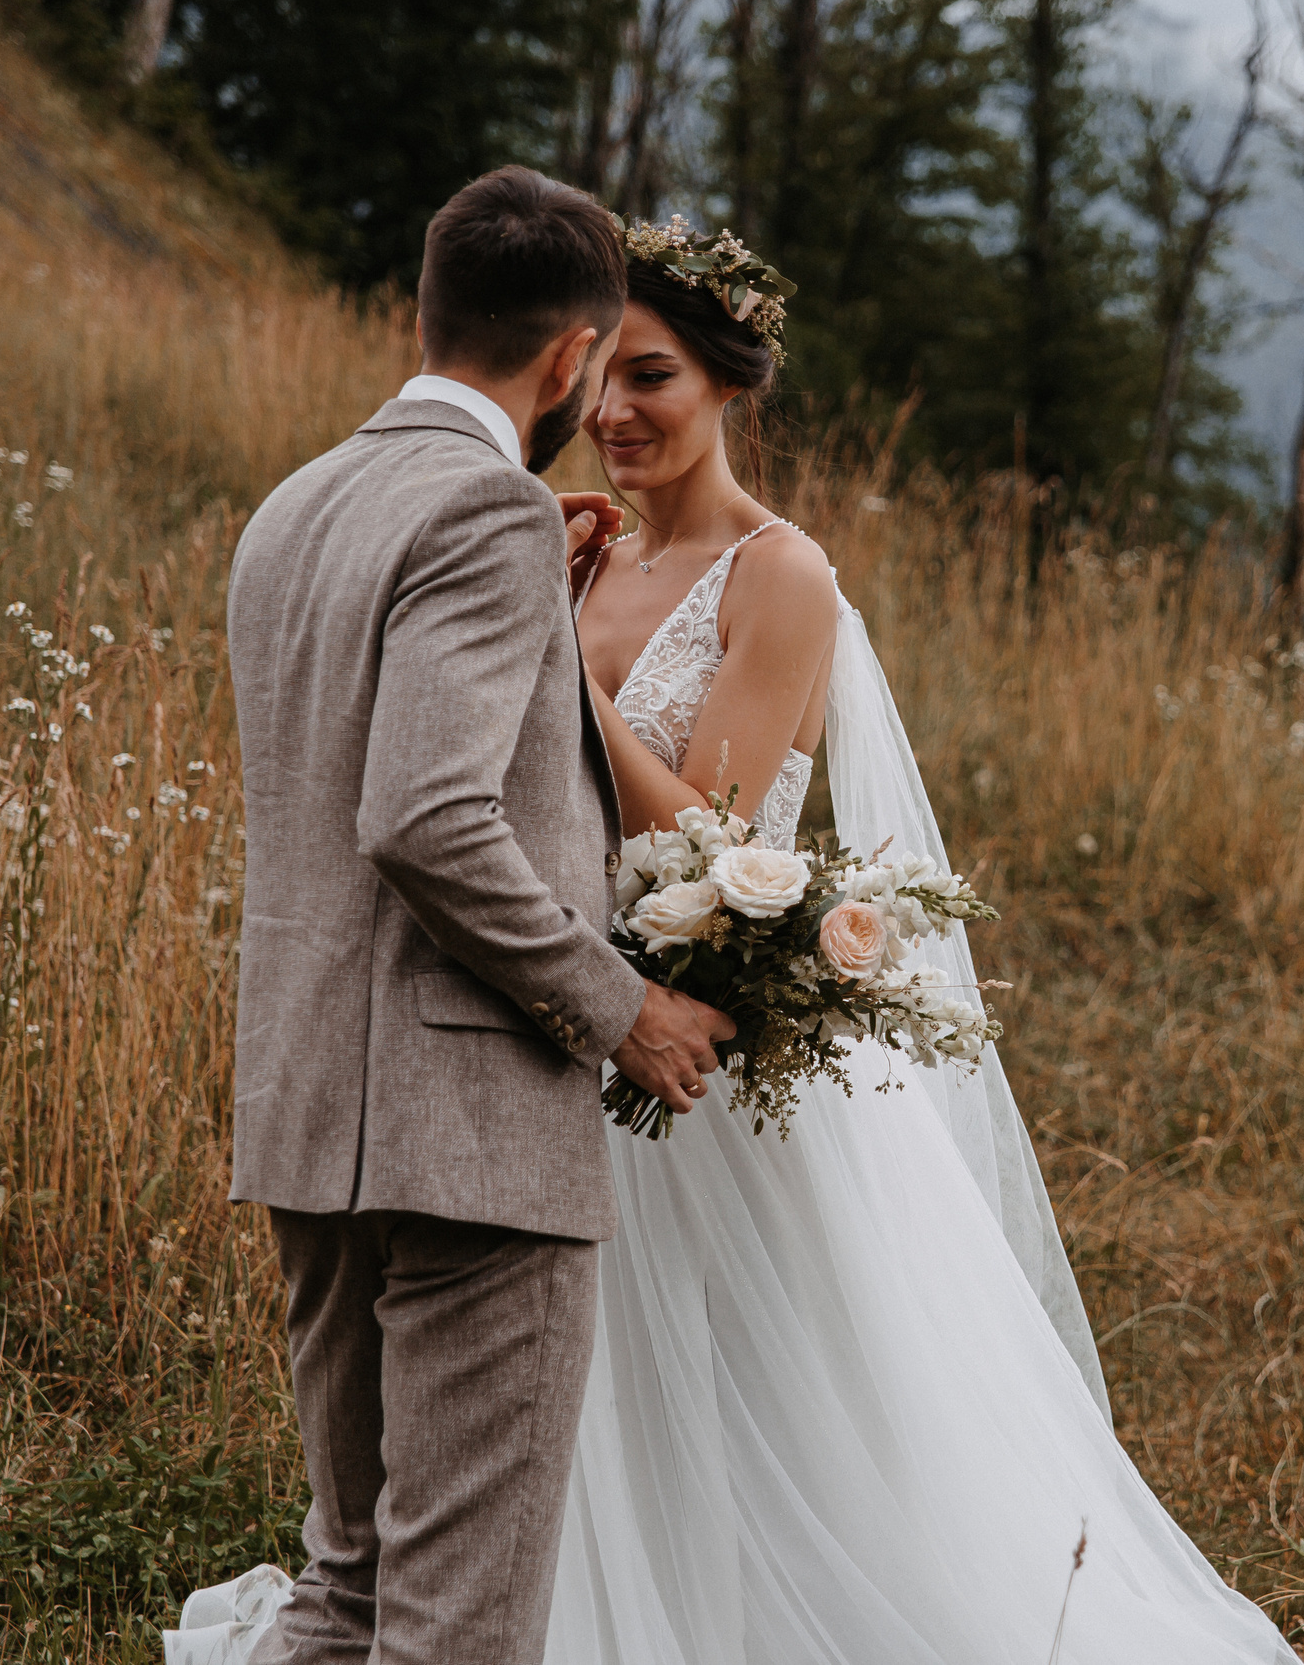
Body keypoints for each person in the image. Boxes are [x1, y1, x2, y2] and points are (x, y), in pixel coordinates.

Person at [538, 216, 1303, 1663]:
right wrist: (543, 586)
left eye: (652, 378)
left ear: (729, 386)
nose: (613, 415)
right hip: (583, 1013)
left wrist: (560, 685)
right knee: (602, 1380)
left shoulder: (781, 577)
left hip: (711, 1037)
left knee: (782, 1389)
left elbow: (709, 832)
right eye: (597, 382)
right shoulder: (583, 552)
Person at [212, 168, 736, 1665]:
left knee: (350, 1587)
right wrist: (622, 1008)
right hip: (470, 1145)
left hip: (313, 1115)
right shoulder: (491, 515)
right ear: (571, 359)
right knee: (462, 1624)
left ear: (421, 311)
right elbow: (425, 816)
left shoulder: (295, 506)